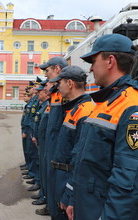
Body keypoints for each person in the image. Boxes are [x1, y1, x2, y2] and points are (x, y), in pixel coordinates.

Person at [70, 34, 138, 220]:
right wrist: (73, 197)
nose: (90, 68)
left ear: (110, 61)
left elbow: (127, 180)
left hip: (103, 210)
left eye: (93, 60)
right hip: (87, 203)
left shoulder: (131, 105)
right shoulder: (105, 101)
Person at [49, 66, 95, 220]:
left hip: (69, 178)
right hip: (62, 175)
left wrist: (70, 192)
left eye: (60, 82)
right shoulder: (74, 108)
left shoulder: (85, 111)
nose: (57, 86)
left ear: (70, 83)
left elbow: (79, 159)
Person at [38, 56, 68, 217]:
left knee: (57, 186)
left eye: (47, 71)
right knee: (49, 181)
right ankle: (51, 208)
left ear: (57, 68)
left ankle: (54, 210)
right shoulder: (56, 93)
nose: (46, 75)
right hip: (50, 145)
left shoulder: (64, 92)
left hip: (58, 148)